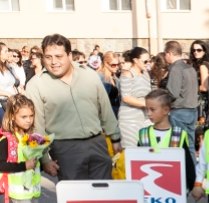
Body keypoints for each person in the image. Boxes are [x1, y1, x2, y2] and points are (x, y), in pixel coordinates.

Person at [25, 34, 120, 180]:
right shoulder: (35, 85)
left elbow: (105, 109)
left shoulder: (89, 74)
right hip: (65, 149)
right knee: (75, 199)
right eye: (48, 57)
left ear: (69, 55)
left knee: (103, 197)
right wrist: (44, 159)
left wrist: (115, 139)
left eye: (58, 56)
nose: (53, 62)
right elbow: (36, 127)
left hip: (97, 144)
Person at [138, 89, 196, 203]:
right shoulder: (143, 134)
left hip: (173, 193)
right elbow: (137, 163)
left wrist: (190, 186)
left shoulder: (179, 134)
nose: (149, 113)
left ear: (166, 110)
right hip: (149, 194)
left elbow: (187, 163)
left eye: (152, 109)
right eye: (147, 109)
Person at [165, 41, 199, 159]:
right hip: (192, 110)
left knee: (178, 146)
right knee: (189, 145)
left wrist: (161, 99)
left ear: (169, 53)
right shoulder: (189, 68)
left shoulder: (176, 69)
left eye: (166, 54)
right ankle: (193, 173)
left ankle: (182, 174)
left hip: (179, 111)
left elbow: (173, 93)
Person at [119, 47, 152, 148]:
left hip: (146, 118)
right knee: (132, 151)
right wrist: (145, 104)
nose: (147, 64)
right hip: (130, 119)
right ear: (135, 60)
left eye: (149, 61)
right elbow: (126, 97)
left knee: (147, 149)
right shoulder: (127, 74)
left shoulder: (146, 74)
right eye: (145, 61)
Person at [189, 40, 209, 146]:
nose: (196, 52)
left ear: (204, 51)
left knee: (200, 131)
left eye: (199, 50)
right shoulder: (208, 64)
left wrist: (189, 87)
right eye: (194, 50)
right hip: (205, 100)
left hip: (201, 101)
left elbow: (204, 87)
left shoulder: (203, 65)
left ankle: (200, 153)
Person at [96, 51, 121, 117]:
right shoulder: (100, 77)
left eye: (118, 64)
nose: (116, 67)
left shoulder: (114, 77)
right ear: (106, 64)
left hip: (115, 114)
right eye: (113, 65)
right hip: (105, 115)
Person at [0, 44, 20, 120]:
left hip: (12, 103)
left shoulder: (8, 67)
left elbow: (12, 84)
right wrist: (8, 94)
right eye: (5, 51)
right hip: (2, 104)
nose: (8, 53)